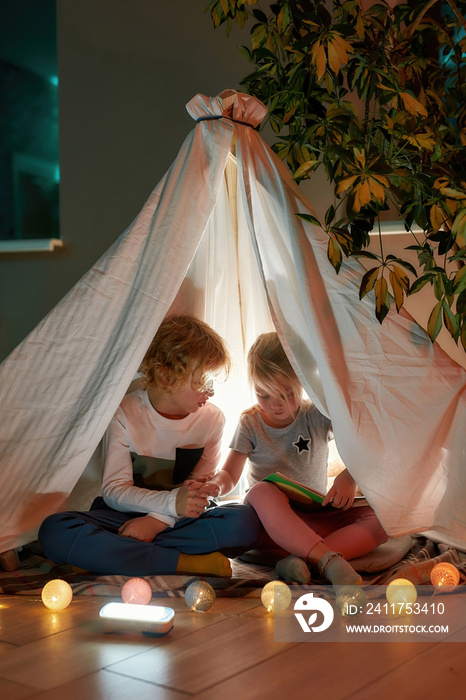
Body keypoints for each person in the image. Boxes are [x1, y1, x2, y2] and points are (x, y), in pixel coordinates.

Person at [39, 315, 261, 576]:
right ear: (166, 376)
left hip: (180, 519)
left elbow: (198, 493)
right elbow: (114, 491)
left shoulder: (212, 419)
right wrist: (166, 506)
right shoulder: (124, 413)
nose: (209, 392)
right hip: (123, 514)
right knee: (55, 529)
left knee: (244, 523)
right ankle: (183, 563)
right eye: (202, 382)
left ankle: (110, 555)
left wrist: (159, 520)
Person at [187, 332, 387, 587]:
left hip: (312, 517)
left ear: (303, 383)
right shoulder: (250, 423)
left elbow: (365, 441)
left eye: (287, 394)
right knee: (261, 491)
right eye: (264, 395)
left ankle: (303, 559)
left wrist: (349, 477)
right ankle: (327, 561)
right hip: (268, 522)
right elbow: (230, 474)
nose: (275, 405)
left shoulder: (316, 415)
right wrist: (216, 484)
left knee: (382, 518)